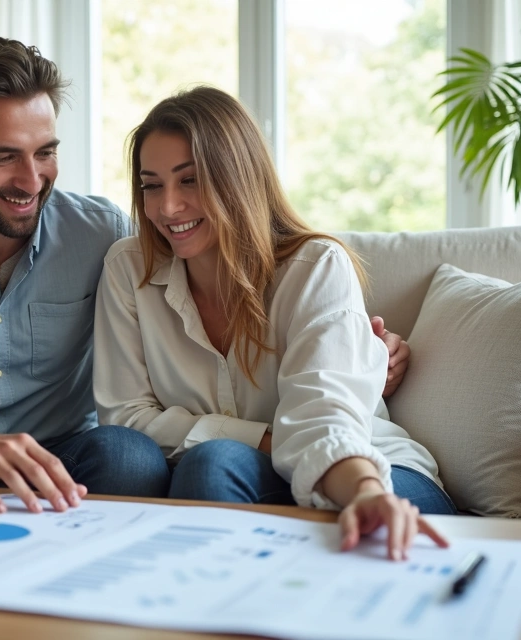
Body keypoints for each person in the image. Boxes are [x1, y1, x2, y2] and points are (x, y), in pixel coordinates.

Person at [0, 37, 412, 516]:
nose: (31, 180)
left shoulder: (102, 235)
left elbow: (242, 263)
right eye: (2, 157)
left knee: (128, 456)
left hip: (58, 467)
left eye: (45, 153)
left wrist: (359, 353)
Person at [93, 86, 452, 561]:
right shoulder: (128, 268)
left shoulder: (314, 267)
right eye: (152, 184)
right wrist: (262, 439)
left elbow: (323, 420)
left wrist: (367, 491)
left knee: (211, 462)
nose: (167, 208)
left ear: (237, 178)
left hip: (367, 471)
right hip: (232, 471)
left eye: (190, 180)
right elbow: (126, 416)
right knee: (173, 459)